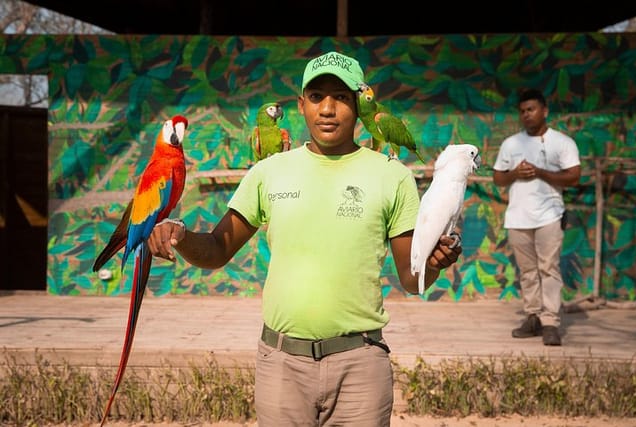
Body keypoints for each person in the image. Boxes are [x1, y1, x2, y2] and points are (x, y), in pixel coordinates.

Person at [148, 51, 462, 426]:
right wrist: (180, 234)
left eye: (341, 97)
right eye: (316, 97)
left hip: (361, 365)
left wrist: (433, 262)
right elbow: (217, 250)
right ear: (301, 105)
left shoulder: (391, 176)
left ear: (359, 103)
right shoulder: (269, 172)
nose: (327, 109)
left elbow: (412, 279)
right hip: (282, 365)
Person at [492, 89, 581, 347]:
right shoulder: (511, 144)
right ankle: (532, 316)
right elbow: (498, 178)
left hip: (550, 215)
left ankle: (550, 321)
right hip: (518, 217)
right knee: (528, 271)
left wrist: (541, 172)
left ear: (545, 111)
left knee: (549, 268)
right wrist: (515, 174)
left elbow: (574, 176)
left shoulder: (562, 142)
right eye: (522, 111)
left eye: (531, 109)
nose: (526, 115)